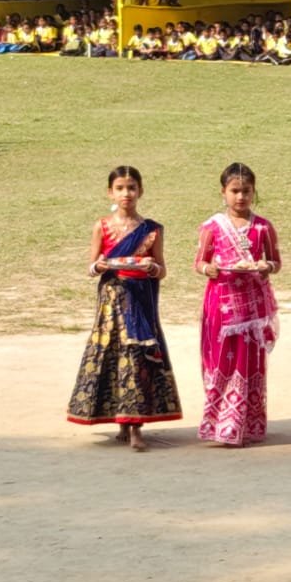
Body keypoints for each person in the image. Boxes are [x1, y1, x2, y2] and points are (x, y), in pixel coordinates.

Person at [66, 165, 182, 447]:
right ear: (110, 192)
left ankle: (136, 426)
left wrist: (151, 267)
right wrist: (100, 266)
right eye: (119, 188)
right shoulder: (102, 226)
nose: (126, 193)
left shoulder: (152, 230)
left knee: (138, 356)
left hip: (141, 301)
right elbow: (91, 267)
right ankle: (121, 419)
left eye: (131, 188)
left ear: (140, 191)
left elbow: (162, 269)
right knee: (113, 355)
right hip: (112, 300)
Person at [195, 162, 281, 446]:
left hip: (253, 309)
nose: (241, 197)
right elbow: (199, 262)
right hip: (220, 307)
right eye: (235, 191)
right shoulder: (212, 227)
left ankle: (245, 424)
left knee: (249, 361)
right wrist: (209, 269)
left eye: (246, 191)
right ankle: (220, 424)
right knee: (222, 359)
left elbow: (276, 261)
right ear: (223, 192)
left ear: (254, 192)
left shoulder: (263, 227)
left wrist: (265, 266)